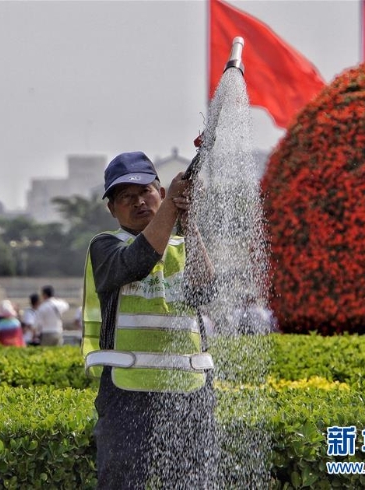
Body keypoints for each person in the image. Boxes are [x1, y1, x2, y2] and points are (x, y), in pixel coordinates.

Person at [82, 151, 217, 488]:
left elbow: (206, 292)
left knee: (190, 482)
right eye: (126, 197)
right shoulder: (106, 246)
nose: (139, 201)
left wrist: (189, 219)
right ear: (112, 210)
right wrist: (172, 207)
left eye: (146, 192)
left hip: (188, 392)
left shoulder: (183, 245)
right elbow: (136, 262)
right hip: (128, 393)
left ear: (159, 192)